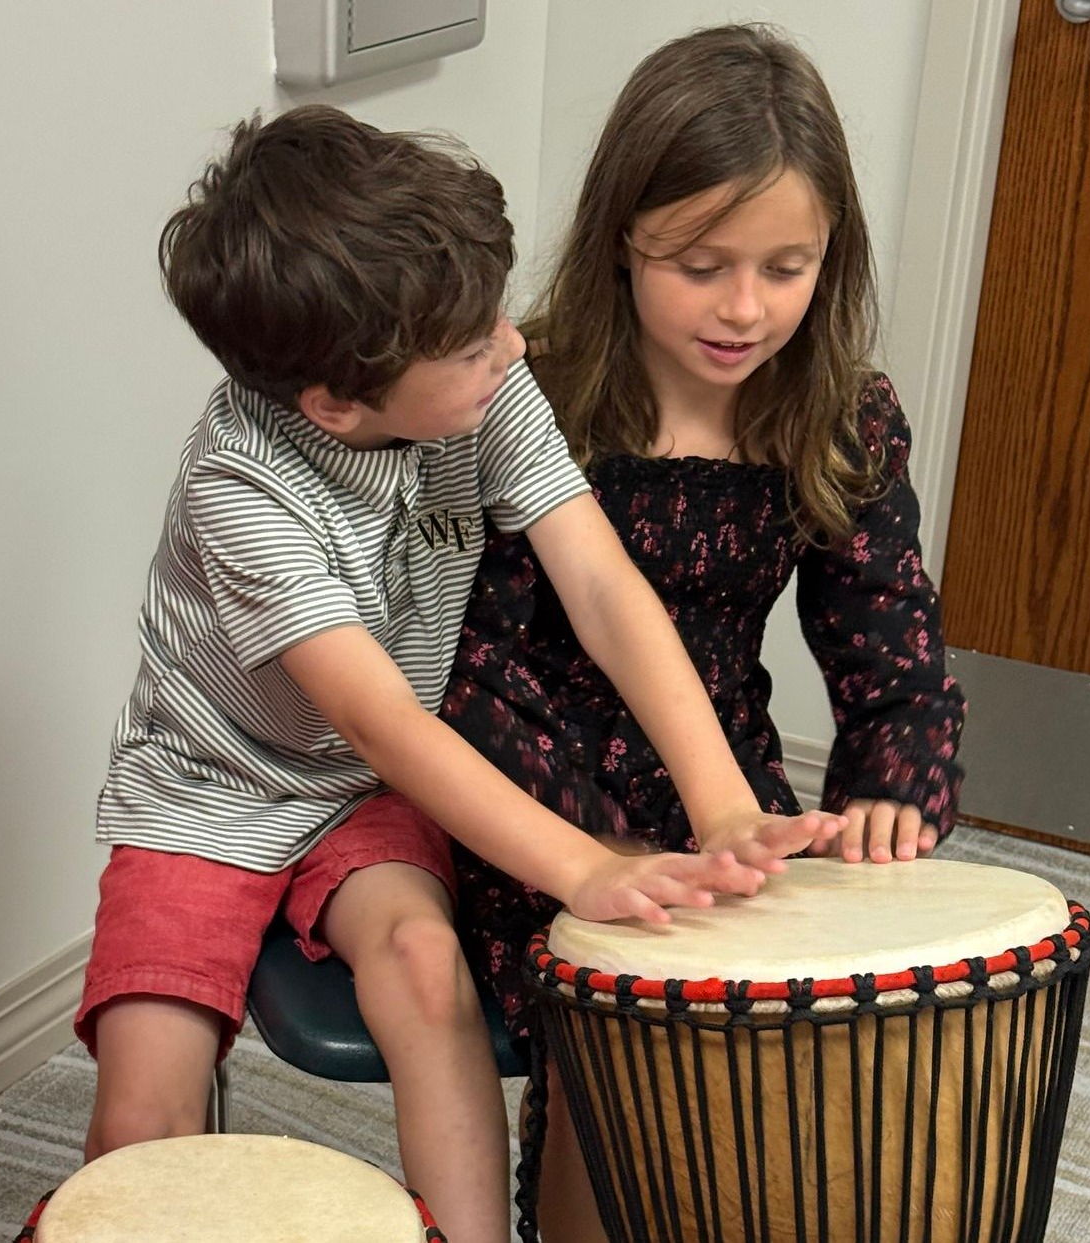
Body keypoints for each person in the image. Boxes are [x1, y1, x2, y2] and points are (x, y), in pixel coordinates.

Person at [72, 104, 843, 1243]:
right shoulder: (241, 490)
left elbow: (602, 587)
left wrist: (723, 805)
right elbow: (383, 718)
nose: (514, 345)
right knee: (144, 1108)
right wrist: (584, 868)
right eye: (478, 343)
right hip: (210, 789)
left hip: (367, 796)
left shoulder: (477, 383)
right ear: (337, 402)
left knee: (427, 967)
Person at [440, 24, 967, 1237]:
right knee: (625, 1010)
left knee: (821, 1016)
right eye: (700, 264)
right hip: (536, 793)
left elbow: (894, 649)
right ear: (624, 235)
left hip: (723, 779)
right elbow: (472, 671)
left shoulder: (843, 414)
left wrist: (893, 784)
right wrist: (606, 851)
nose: (745, 308)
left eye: (787, 268)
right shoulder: (530, 394)